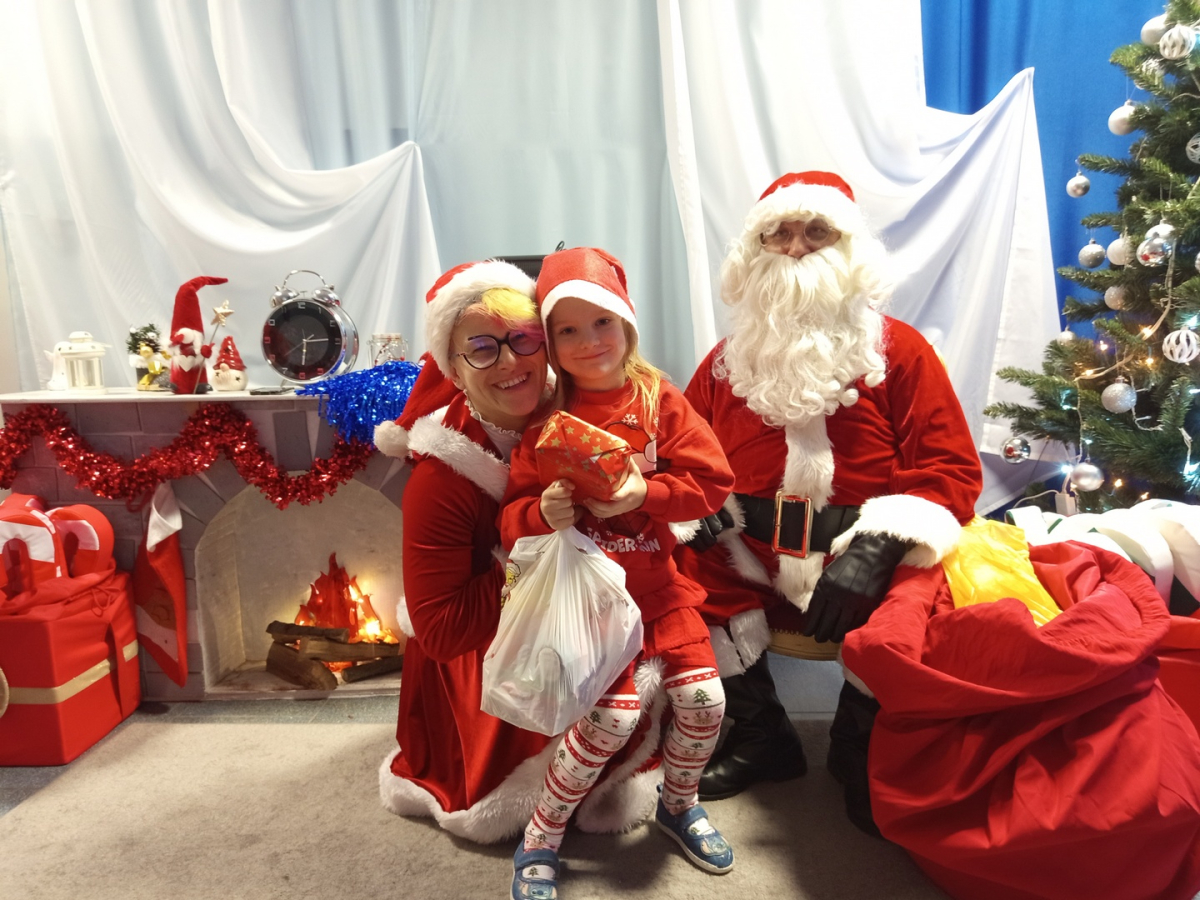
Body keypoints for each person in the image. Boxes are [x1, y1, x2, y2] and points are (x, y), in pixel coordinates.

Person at [674, 171, 983, 836]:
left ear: (848, 249)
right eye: (778, 233)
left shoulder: (901, 351)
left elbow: (950, 469)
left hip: (858, 555)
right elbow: (682, 456)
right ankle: (762, 736)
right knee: (671, 577)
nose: (796, 248)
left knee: (920, 599)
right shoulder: (726, 362)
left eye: (816, 232)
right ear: (755, 251)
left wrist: (879, 546)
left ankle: (858, 746)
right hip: (751, 553)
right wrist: (695, 507)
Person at [376, 259, 660, 845]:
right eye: (482, 349)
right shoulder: (441, 481)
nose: (509, 361)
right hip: (492, 648)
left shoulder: (585, 404)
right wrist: (528, 559)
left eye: (524, 338)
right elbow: (441, 632)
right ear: (454, 369)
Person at [500, 247, 738, 900]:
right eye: (567, 330)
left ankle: (678, 804)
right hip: (589, 604)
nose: (589, 341)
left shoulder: (659, 400)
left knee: (706, 702)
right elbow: (510, 518)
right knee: (611, 719)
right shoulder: (546, 420)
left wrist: (647, 494)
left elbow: (714, 481)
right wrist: (540, 513)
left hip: (660, 592)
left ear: (626, 322)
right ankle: (542, 832)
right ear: (549, 343)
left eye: (601, 321)